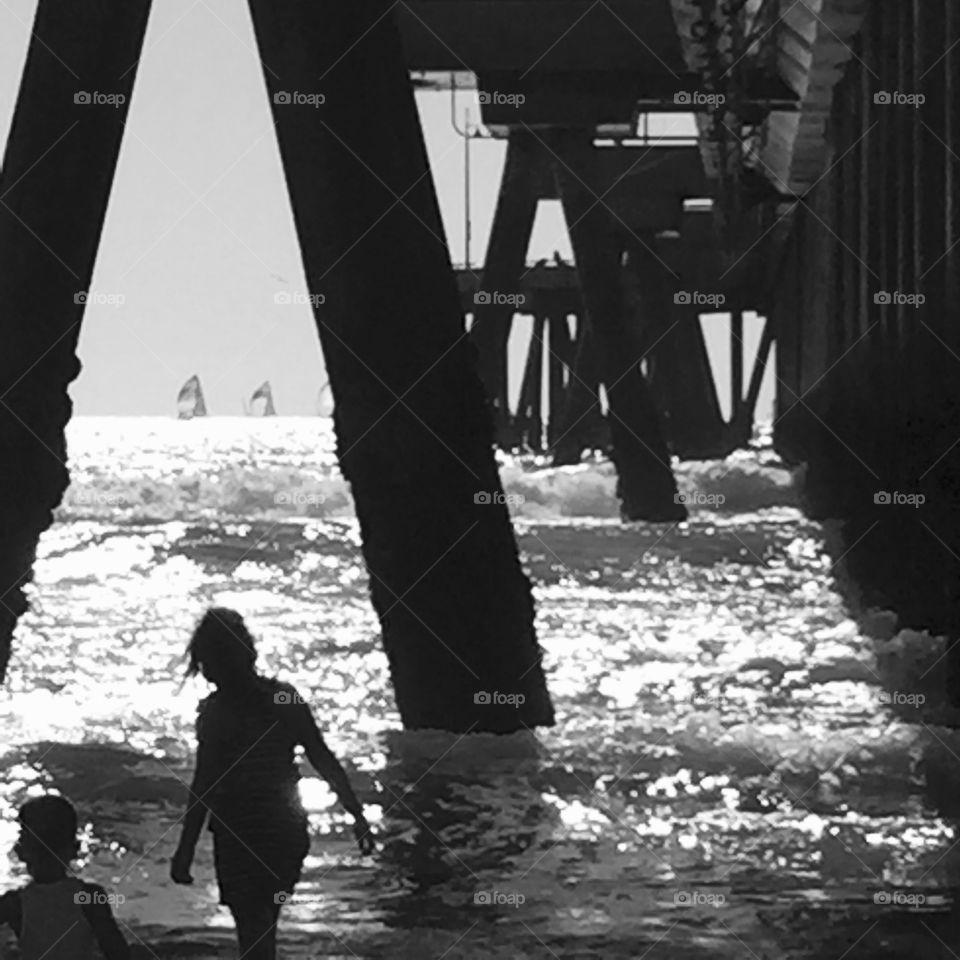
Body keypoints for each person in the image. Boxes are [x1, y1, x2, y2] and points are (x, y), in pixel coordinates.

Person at [171, 607, 374, 959]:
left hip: (238, 834)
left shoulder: (217, 713)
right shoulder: (284, 698)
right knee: (264, 920)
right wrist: (356, 814)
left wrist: (185, 849)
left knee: (252, 925)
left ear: (211, 662)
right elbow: (322, 757)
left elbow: (203, 785)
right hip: (285, 830)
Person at [0, 794, 130, 959]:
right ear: (74, 848)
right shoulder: (90, 897)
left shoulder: (14, 903)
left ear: (21, 851)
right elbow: (118, 952)